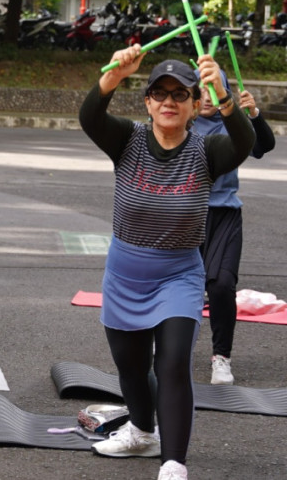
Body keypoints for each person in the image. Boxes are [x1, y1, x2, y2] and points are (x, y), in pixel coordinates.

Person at [79, 51, 255, 480]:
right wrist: (113, 77)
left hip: (178, 273)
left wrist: (226, 97)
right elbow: (89, 117)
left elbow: (245, 142)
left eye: (181, 94)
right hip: (125, 273)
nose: (169, 101)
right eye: (159, 93)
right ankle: (142, 431)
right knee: (132, 369)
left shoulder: (208, 150)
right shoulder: (127, 139)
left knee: (172, 363)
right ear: (148, 102)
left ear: (195, 104)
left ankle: (174, 463)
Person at [193, 70, 275, 385]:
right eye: (200, 90)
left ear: (224, 94)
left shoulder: (233, 127)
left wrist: (253, 113)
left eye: (214, 90)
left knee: (220, 285)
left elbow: (263, 145)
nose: (206, 96)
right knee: (175, 285)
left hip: (225, 214)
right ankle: (164, 347)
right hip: (186, 214)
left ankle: (221, 358)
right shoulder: (182, 123)